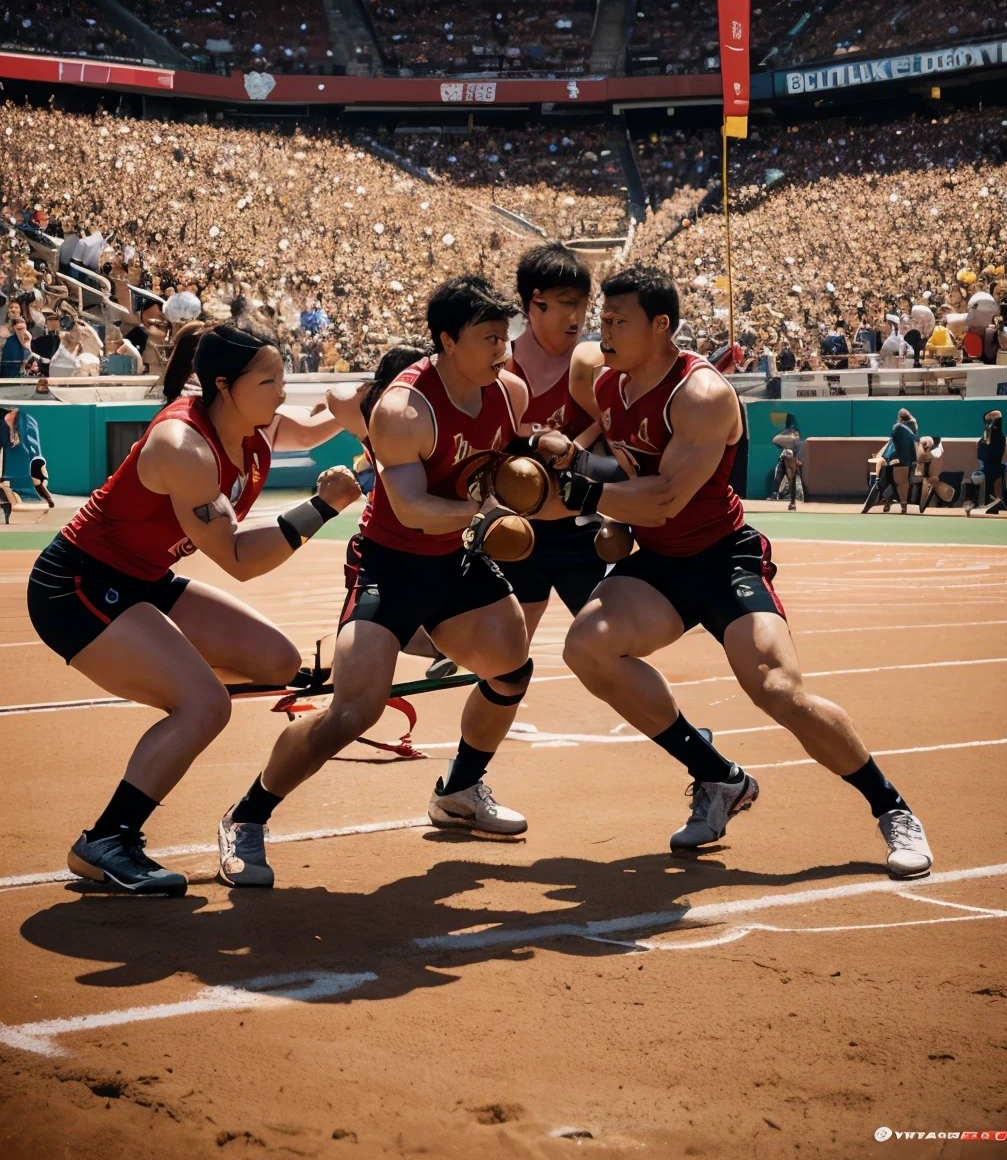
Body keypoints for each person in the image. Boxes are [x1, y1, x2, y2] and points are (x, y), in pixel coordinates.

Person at [549, 266, 932, 879]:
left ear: (661, 325)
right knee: (586, 648)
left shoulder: (700, 394)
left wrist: (577, 487)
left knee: (778, 690)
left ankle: (892, 808)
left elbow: (667, 496)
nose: (603, 332)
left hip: (721, 557)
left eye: (618, 321)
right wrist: (575, 458)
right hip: (657, 562)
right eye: (603, 320)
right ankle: (717, 776)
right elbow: (626, 468)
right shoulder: (599, 375)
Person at [220, 276, 542, 888]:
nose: (503, 350)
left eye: (506, 336)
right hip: (392, 563)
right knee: (354, 711)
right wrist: (493, 515)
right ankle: (246, 816)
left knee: (510, 667)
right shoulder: (403, 409)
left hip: (455, 558)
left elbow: (502, 469)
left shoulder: (510, 393)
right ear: (446, 341)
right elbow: (415, 507)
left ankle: (460, 790)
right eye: (488, 338)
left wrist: (544, 480)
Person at [26, 323, 363, 897]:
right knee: (205, 707)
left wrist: (361, 408)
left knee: (278, 662)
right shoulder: (183, 447)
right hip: (77, 586)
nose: (283, 390)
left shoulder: (250, 422)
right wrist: (322, 507)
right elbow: (237, 558)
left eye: (284, 377)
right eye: (271, 380)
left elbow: (310, 431)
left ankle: (177, 685)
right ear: (225, 386)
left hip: (142, 579)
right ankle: (107, 840)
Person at [501, 244, 607, 640]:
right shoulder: (499, 366)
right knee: (505, 663)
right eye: (566, 303)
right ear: (535, 302)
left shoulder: (597, 368)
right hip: (514, 533)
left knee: (607, 649)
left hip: (580, 529)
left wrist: (579, 446)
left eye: (583, 304)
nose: (577, 317)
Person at [863, 408, 918, 514]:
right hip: (906, 460)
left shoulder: (897, 427)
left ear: (899, 418)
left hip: (893, 458)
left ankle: (886, 500)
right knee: (902, 483)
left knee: (887, 480)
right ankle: (902, 506)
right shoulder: (913, 430)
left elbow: (893, 440)